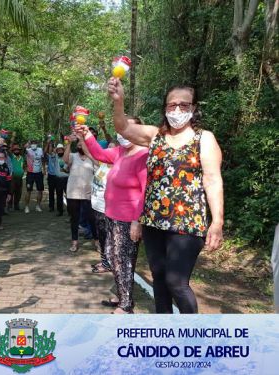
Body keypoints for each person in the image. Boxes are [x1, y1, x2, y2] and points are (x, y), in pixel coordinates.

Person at [108, 78, 224, 314]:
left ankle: (193, 337)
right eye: (172, 105)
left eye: (184, 105)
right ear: (165, 108)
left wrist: (218, 221)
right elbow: (123, 127)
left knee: (176, 283)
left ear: (193, 108)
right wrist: (118, 102)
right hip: (153, 222)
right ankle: (166, 333)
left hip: (188, 223)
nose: (178, 109)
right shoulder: (155, 136)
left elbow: (212, 180)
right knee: (159, 280)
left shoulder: (204, 139)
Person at [77, 119, 148, 314]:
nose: (122, 134)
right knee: (113, 256)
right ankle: (122, 293)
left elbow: (145, 192)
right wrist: (87, 135)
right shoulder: (120, 153)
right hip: (111, 214)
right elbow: (99, 154)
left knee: (123, 259)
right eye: (120, 130)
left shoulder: (143, 156)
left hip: (128, 219)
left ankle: (126, 305)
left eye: (127, 129)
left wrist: (137, 221)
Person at [63, 133, 98, 252]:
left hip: (88, 193)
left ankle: (96, 241)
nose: (79, 146)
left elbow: (99, 167)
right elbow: (65, 160)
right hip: (73, 192)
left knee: (92, 218)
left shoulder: (91, 158)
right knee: (74, 218)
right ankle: (74, 242)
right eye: (77, 145)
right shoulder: (73, 156)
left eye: (81, 144)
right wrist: (68, 143)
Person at [90, 141, 114, 274]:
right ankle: (105, 261)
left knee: (107, 238)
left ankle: (107, 263)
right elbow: (90, 154)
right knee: (102, 237)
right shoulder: (102, 164)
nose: (109, 151)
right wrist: (82, 139)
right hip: (97, 207)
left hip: (107, 209)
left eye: (112, 149)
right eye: (108, 148)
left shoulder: (116, 167)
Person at [24, 139, 45, 213]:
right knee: (28, 190)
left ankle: (38, 206)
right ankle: (26, 206)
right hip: (30, 173)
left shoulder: (40, 150)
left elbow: (43, 160)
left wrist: (44, 169)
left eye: (35, 143)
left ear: (37, 144)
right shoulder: (28, 150)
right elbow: (23, 150)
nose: (33, 144)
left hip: (39, 173)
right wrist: (26, 145)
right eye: (32, 143)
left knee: (40, 190)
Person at [53, 143, 69, 216]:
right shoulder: (55, 157)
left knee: (68, 195)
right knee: (59, 195)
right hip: (58, 179)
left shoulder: (67, 156)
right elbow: (50, 152)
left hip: (67, 179)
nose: (59, 151)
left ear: (63, 150)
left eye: (61, 149)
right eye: (58, 150)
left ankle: (70, 211)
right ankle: (60, 211)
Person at [7, 143, 25, 211]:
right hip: (12, 177)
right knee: (11, 191)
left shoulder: (21, 157)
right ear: (13, 150)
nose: (16, 151)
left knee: (18, 192)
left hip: (20, 177)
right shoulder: (11, 156)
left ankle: (16, 205)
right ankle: (9, 206)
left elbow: (22, 166)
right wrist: (12, 142)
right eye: (15, 150)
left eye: (18, 150)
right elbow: (9, 150)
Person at [44, 137, 57, 212]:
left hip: (58, 176)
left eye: (53, 148)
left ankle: (60, 206)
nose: (52, 149)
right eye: (51, 148)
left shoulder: (58, 156)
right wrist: (48, 143)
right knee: (51, 191)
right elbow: (45, 152)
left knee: (59, 192)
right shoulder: (49, 156)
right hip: (51, 176)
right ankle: (51, 206)